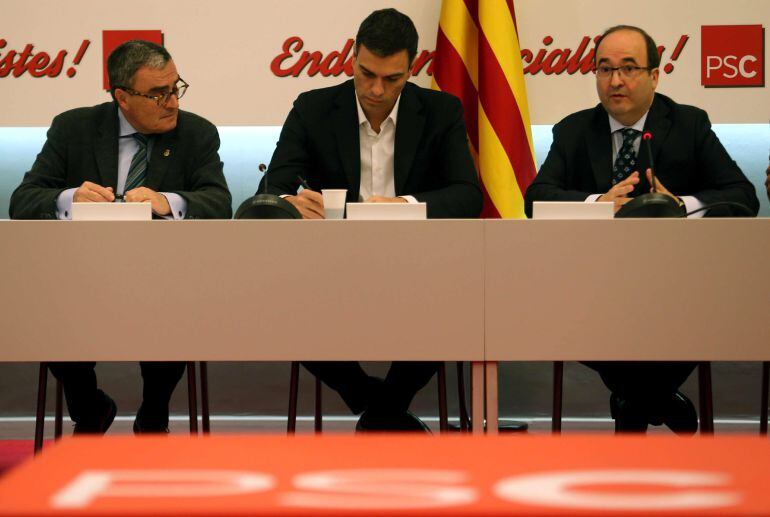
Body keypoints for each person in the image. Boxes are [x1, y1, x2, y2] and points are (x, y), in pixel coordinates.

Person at [524, 25, 759, 433]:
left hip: (679, 286)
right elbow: (536, 199)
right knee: (562, 311)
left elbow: (742, 196)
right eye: (605, 69)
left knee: (701, 311)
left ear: (655, 75)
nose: (615, 80)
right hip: (594, 285)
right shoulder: (574, 130)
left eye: (629, 68)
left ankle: (632, 400)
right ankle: (655, 398)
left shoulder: (688, 124)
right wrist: (599, 204)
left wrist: (680, 205)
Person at [261, 8, 482, 431]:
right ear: (352, 58)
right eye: (366, 74)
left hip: (421, 268)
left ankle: (383, 409)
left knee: (452, 308)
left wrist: (408, 205)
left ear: (412, 68)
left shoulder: (441, 111)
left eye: (392, 79)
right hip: (328, 268)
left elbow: (467, 195)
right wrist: (291, 202)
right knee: (283, 306)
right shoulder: (313, 108)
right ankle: (378, 404)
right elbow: (272, 187)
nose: (376, 89)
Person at [9, 40, 232, 434]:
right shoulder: (73, 128)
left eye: (175, 88)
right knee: (47, 306)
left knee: (176, 303)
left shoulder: (196, 134)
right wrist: (70, 198)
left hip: (165, 280)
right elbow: (23, 200)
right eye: (158, 94)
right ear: (122, 97)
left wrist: (166, 201)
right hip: (80, 277)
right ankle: (89, 406)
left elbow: (219, 202)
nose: (172, 102)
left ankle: (154, 412)